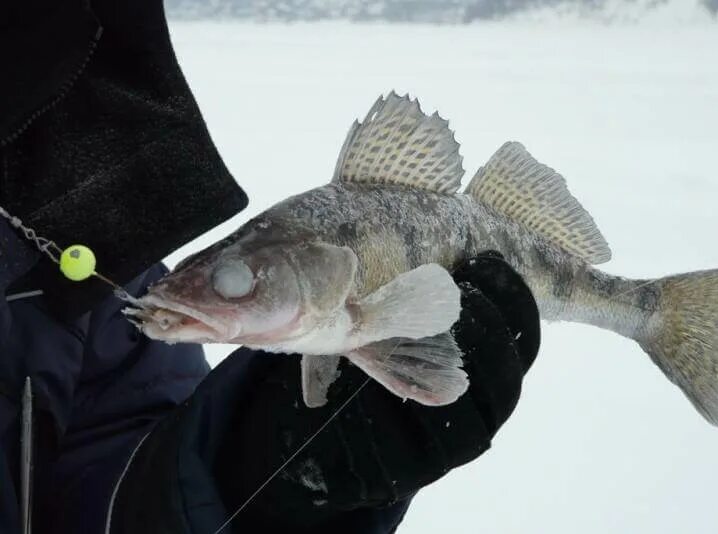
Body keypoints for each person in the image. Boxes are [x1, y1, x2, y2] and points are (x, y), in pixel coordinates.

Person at [0, 1, 541, 532]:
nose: (178, 300)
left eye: (231, 281)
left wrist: (233, 471)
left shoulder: (70, 249)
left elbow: (108, 474)